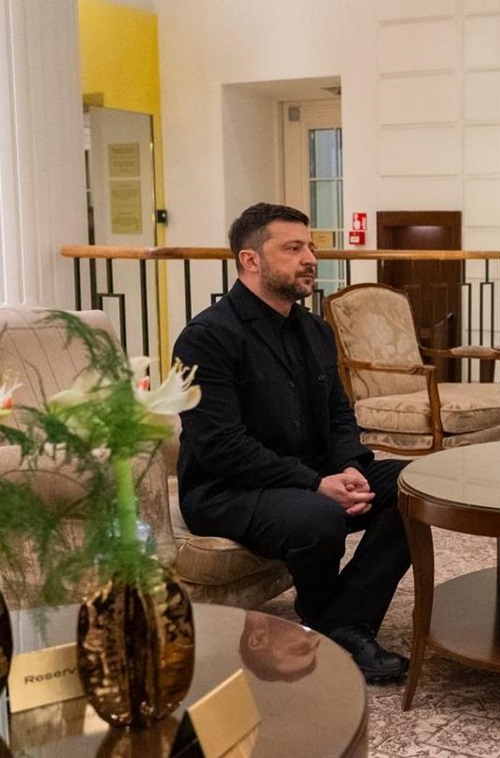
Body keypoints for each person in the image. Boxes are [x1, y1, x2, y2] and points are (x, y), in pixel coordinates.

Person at [174, 203, 411, 683]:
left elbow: (340, 414)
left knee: (416, 485)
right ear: (250, 260)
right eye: (293, 248)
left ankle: (342, 622)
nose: (310, 259)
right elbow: (221, 445)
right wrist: (315, 483)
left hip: (310, 475)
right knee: (318, 516)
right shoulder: (206, 338)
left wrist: (349, 467)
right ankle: (339, 627)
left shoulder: (315, 330)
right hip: (229, 490)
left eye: (311, 247)